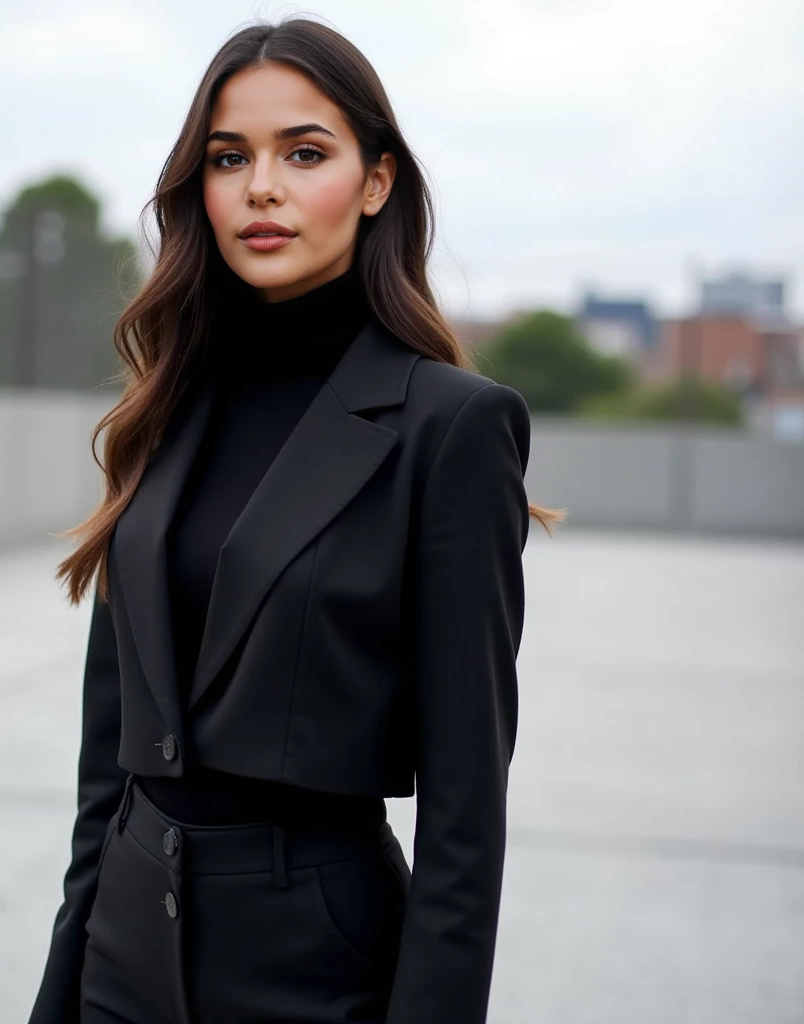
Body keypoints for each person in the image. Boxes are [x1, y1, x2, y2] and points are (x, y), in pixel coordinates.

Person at [27, 16, 563, 1024]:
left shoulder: (450, 428)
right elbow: (110, 768)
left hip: (314, 964)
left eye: (303, 153)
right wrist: (60, 994)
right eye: (229, 158)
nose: (259, 187)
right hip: (124, 952)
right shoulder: (166, 409)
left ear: (375, 183)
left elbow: (464, 821)